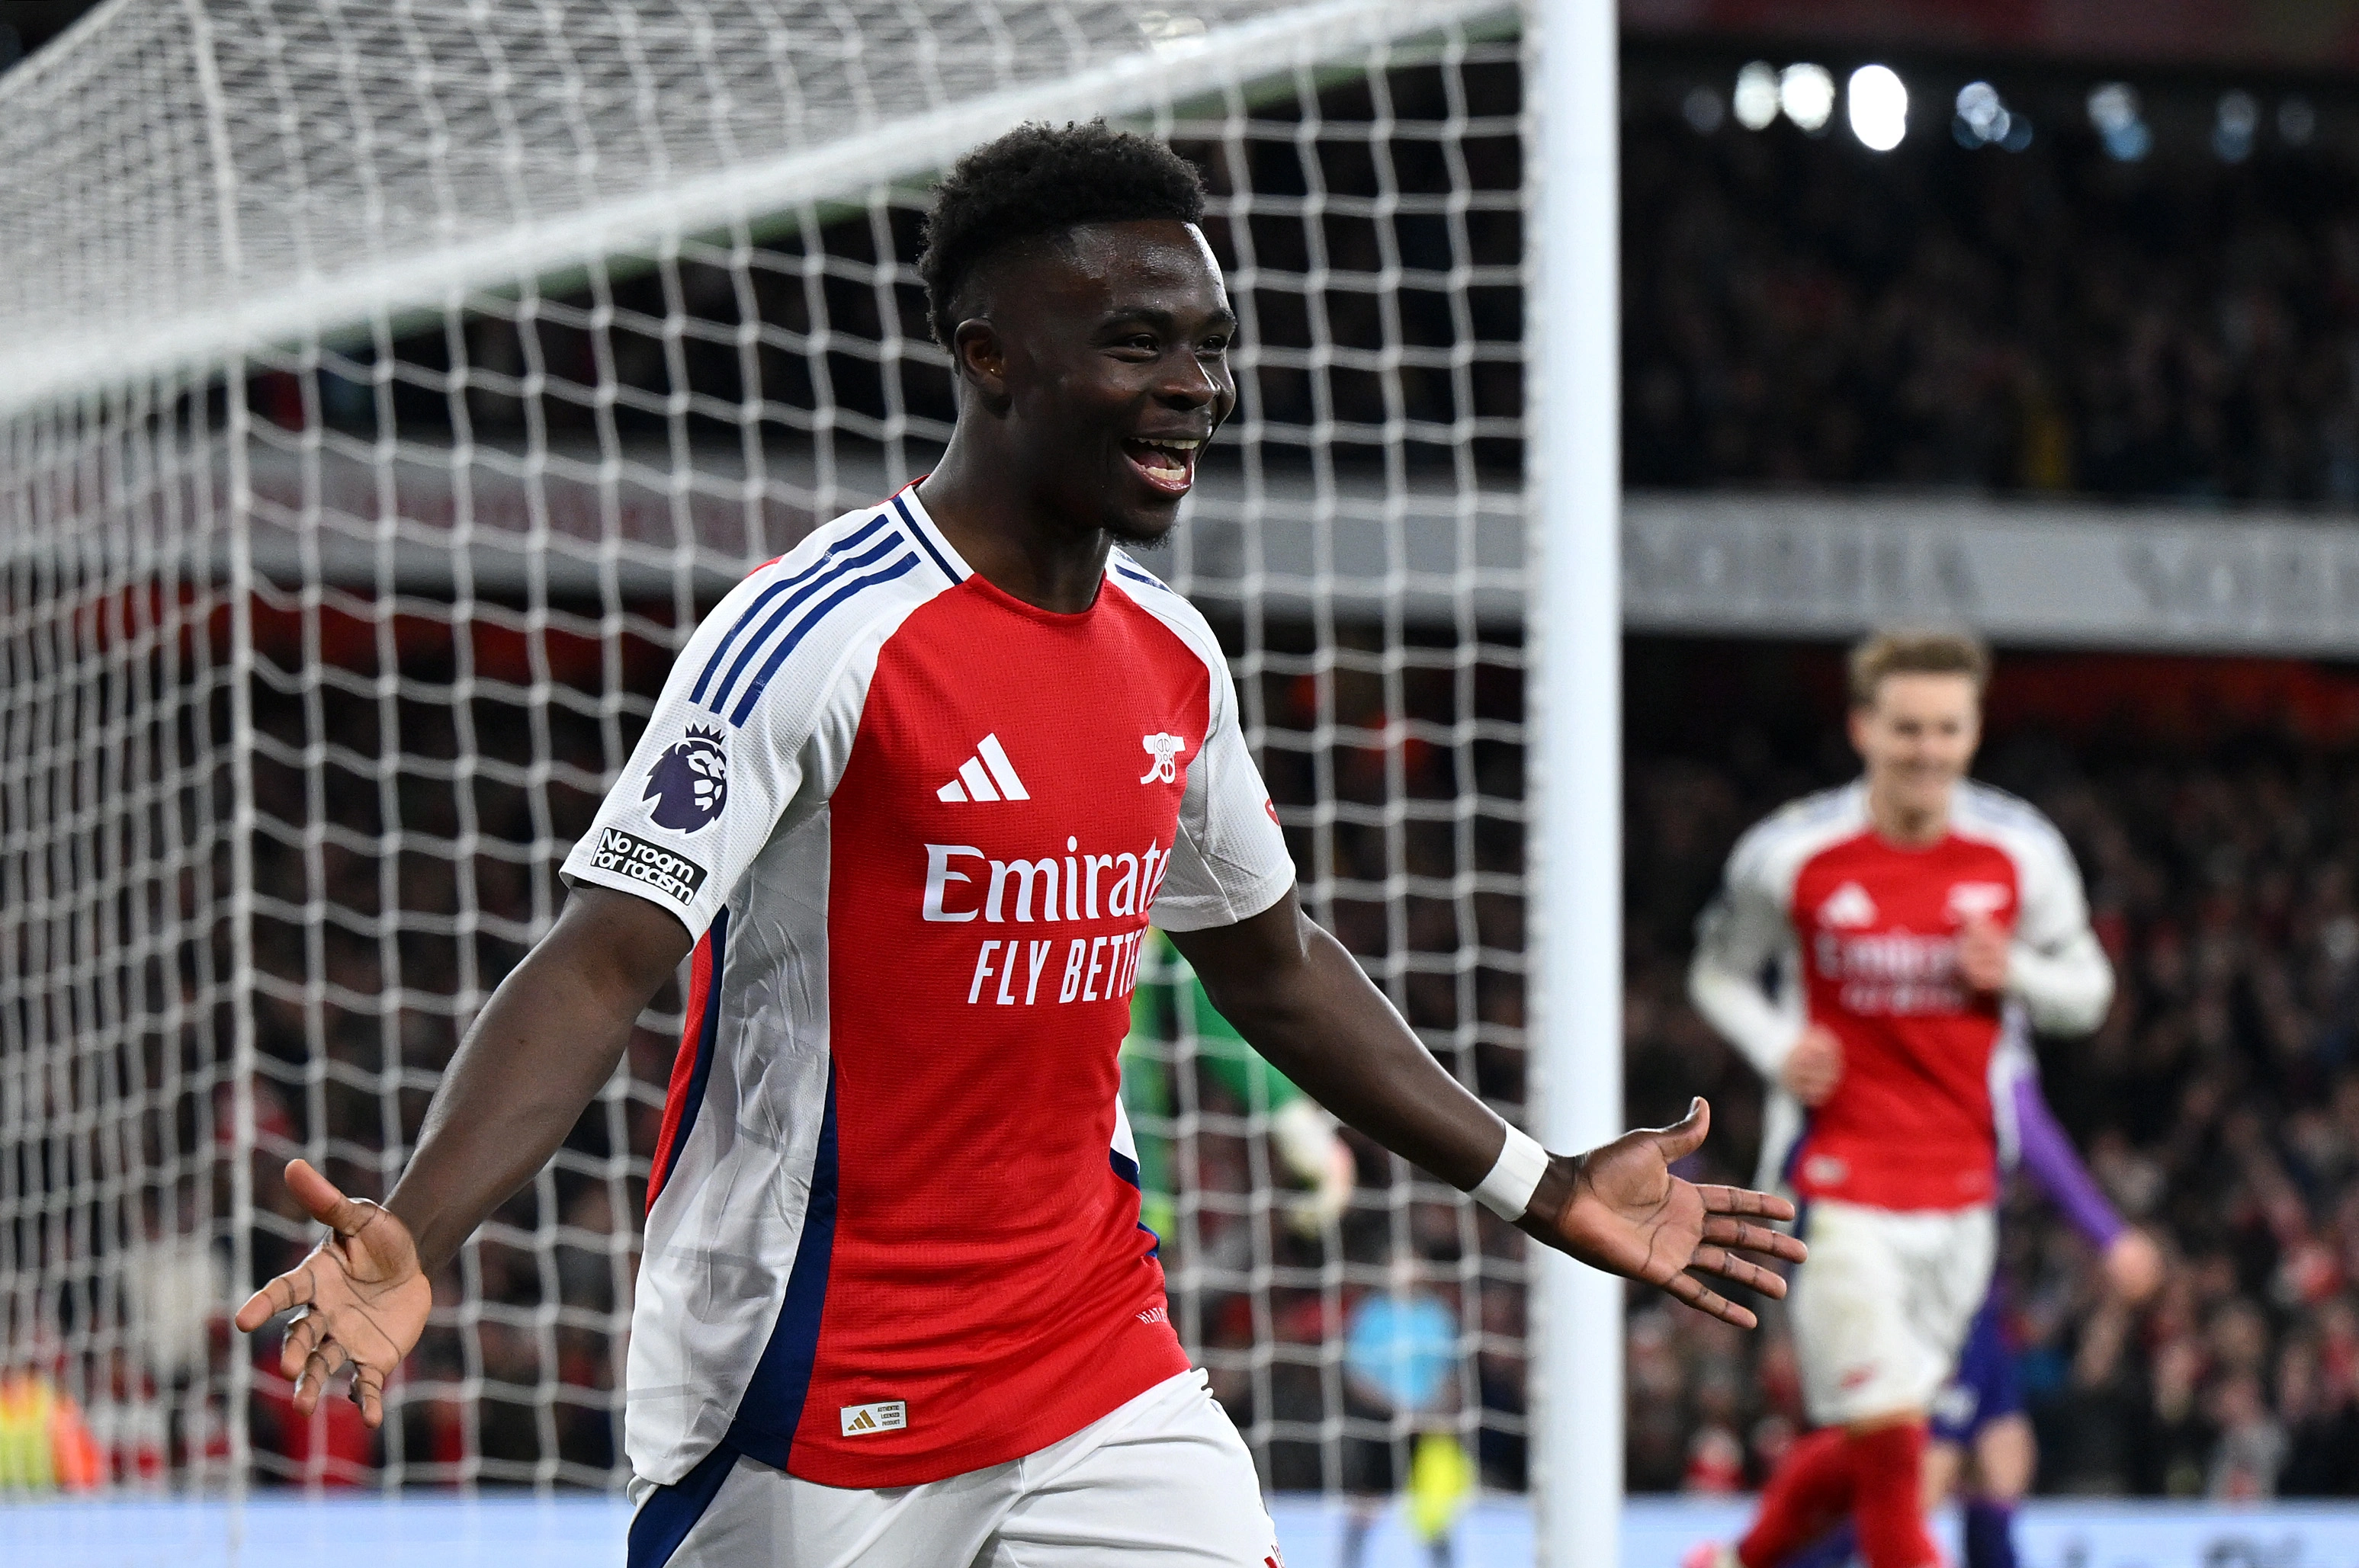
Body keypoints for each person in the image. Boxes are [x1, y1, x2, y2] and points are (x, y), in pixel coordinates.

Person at [233, 122, 1804, 1567]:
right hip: (804, 1372)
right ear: (986, 356)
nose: (1195, 384)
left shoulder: (1173, 659)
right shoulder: (816, 634)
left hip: (1091, 1356)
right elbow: (602, 958)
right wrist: (413, 1229)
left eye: (1208, 345)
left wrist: (1538, 1182)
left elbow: (1273, 966)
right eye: (1136, 342)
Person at [1683, 630, 2113, 1568]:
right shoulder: (1794, 853)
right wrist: (1776, 1044)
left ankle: (1734, 1563)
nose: (1926, 749)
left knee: (1889, 1436)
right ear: (1862, 727)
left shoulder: (2019, 852)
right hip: (1837, 1186)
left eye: (1946, 729)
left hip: (1963, 1195)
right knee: (1895, 1454)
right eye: (1906, 727)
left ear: (1973, 732)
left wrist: (2021, 974)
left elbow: (2090, 992)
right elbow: (1717, 971)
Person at [1778, 1037, 2164, 1568]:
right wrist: (2107, 1235)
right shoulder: (1952, 1012)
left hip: (1965, 1285)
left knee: (2002, 1459)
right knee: (1919, 1476)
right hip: (1916, 1279)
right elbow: (2027, 1124)